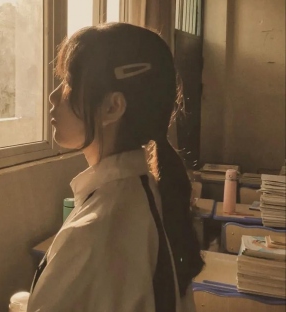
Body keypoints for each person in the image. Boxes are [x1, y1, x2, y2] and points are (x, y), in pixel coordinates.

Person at [27, 23, 205, 312]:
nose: (54, 95)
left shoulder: (95, 231)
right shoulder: (144, 191)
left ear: (112, 107)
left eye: (69, 83)